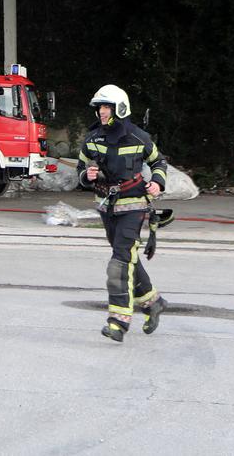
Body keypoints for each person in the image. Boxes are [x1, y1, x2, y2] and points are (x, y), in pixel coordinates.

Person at [76, 84, 169, 343]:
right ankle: (154, 303)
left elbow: (159, 161)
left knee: (118, 262)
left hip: (135, 205)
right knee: (127, 256)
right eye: (99, 108)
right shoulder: (92, 138)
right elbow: (81, 167)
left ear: (119, 108)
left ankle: (119, 320)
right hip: (107, 207)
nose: (101, 112)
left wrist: (158, 182)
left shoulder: (139, 137)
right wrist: (87, 175)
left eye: (106, 107)